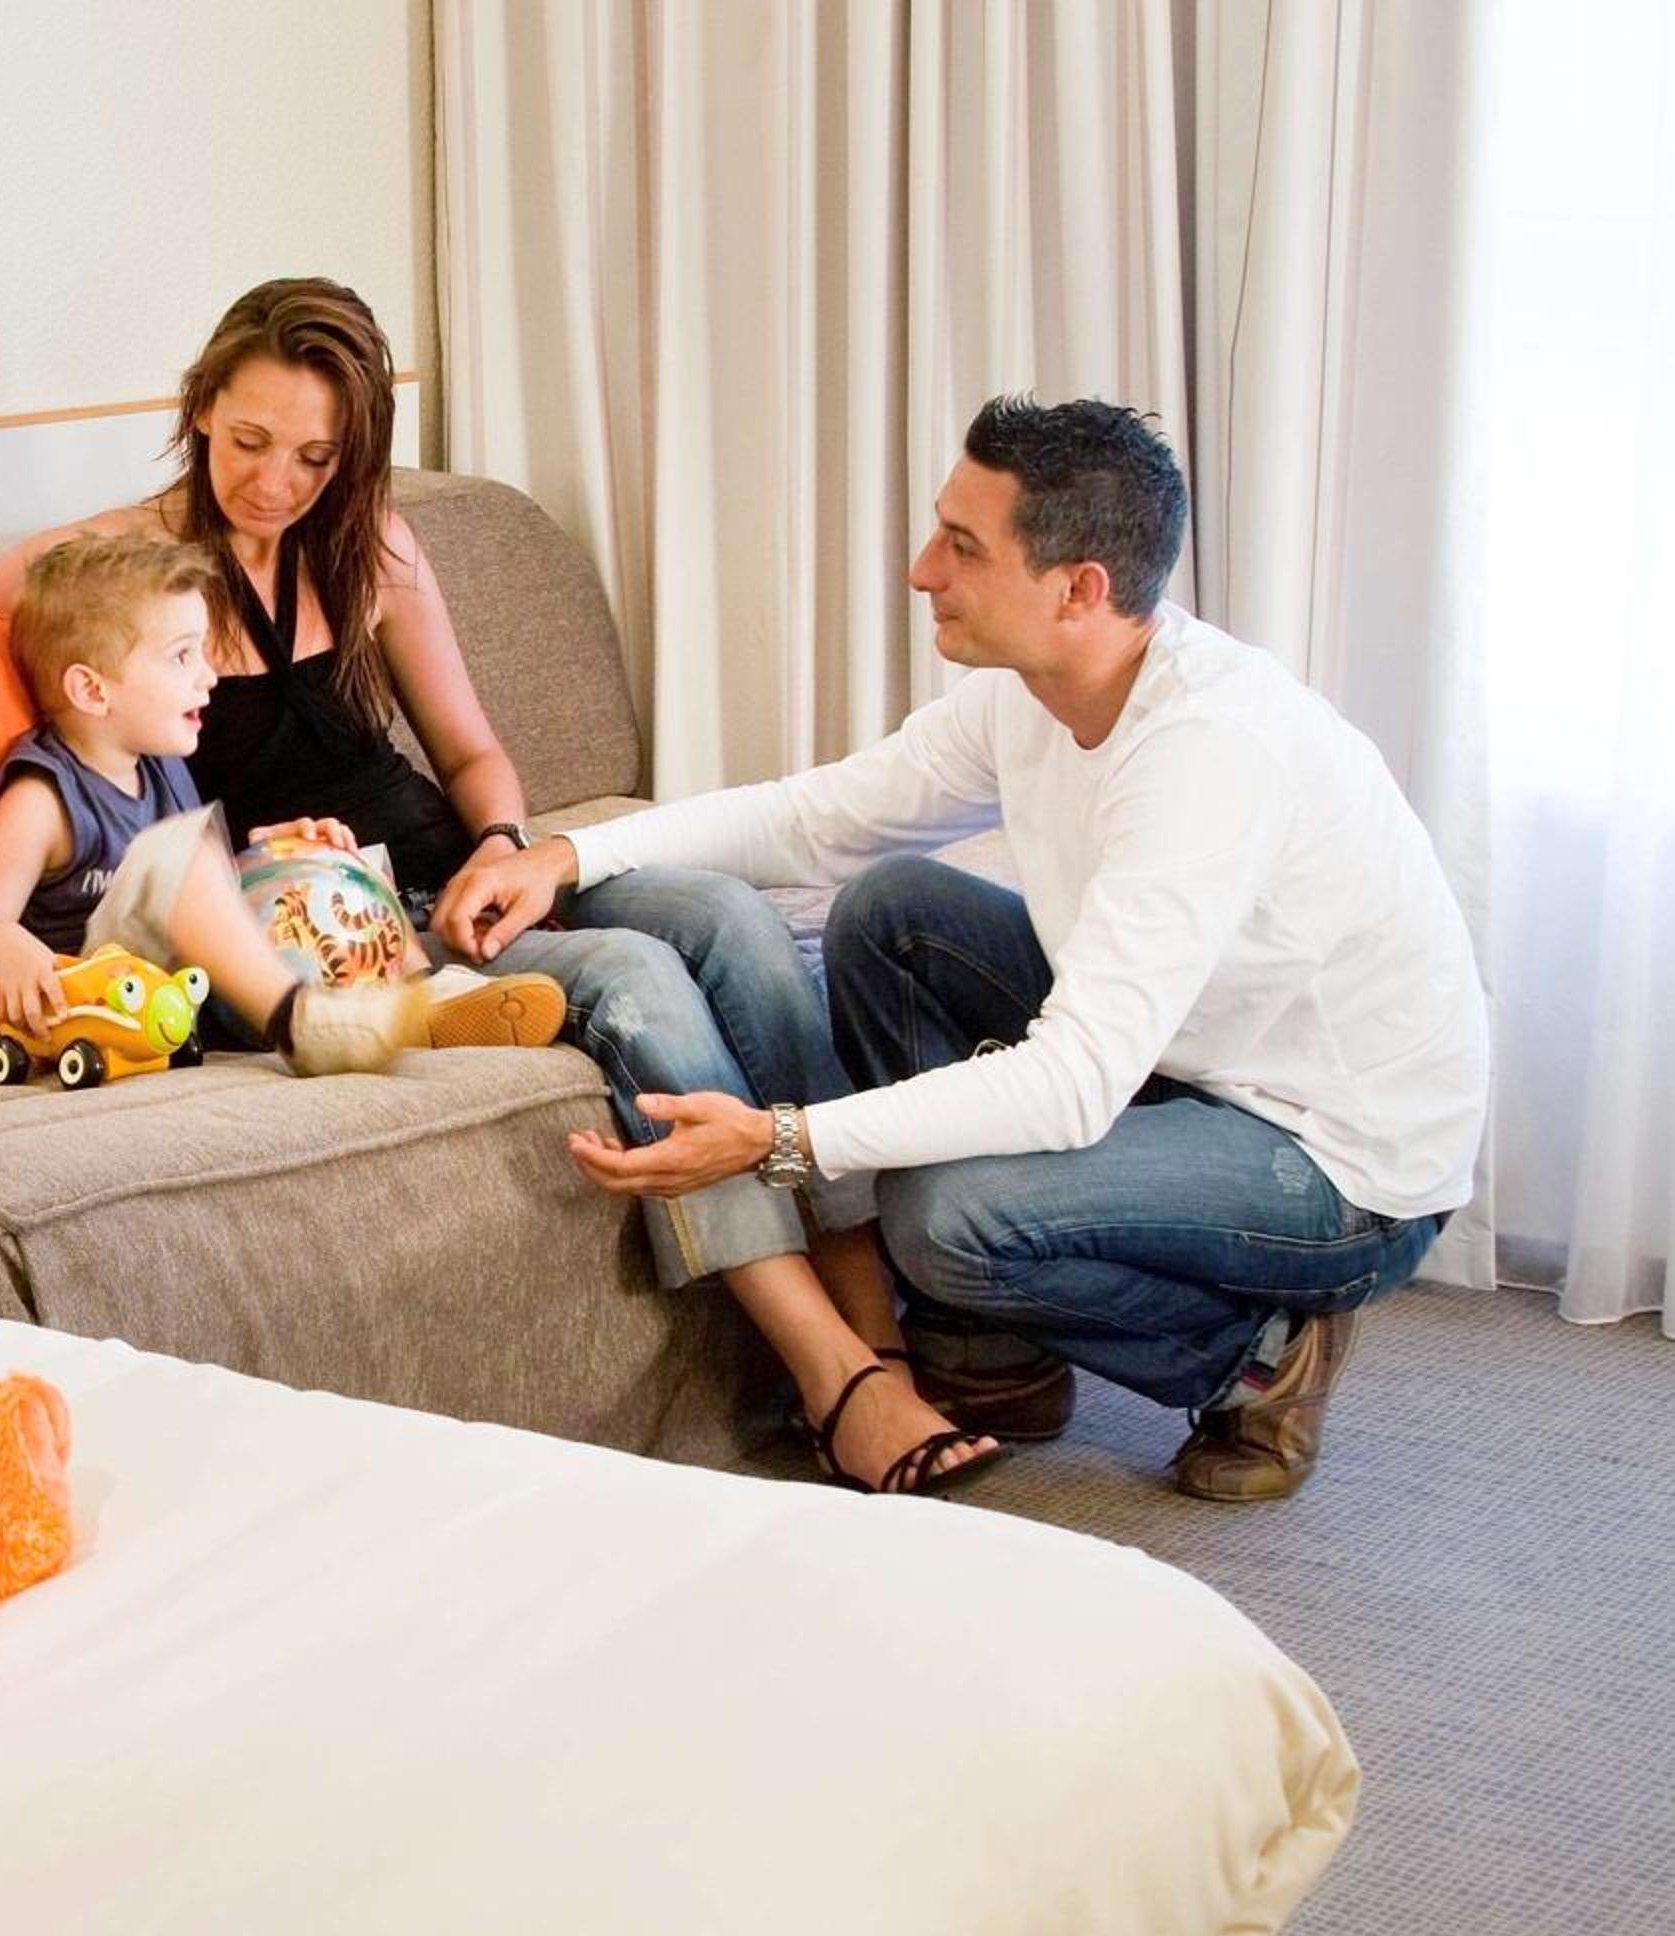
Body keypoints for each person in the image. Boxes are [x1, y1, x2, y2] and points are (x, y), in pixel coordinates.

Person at [0, 277, 997, 1495]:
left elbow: (472, 756)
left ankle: (877, 1331)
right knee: (635, 979)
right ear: (201, 408)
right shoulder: (126, 571)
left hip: (462, 870)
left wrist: (503, 845)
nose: (276, 483)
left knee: (734, 919)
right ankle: (830, 1377)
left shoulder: (372, 548)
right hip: (338, 920)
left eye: (315, 458)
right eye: (250, 441)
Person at [444, 395, 1488, 1502]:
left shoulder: (1207, 754)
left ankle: (1264, 1360)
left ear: (1078, 589)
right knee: (891, 913)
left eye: (962, 546)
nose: (921, 570)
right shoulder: (1033, 694)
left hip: (1337, 1158)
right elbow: (818, 818)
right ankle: (998, 1348)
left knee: (947, 1220)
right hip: (1190, 1061)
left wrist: (783, 1141)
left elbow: (1075, 1083)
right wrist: (566, 855)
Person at [0, 533, 433, 1075]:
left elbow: (200, 908)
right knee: (176, 855)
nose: (209, 675)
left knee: (325, 856)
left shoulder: (161, 766)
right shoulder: (43, 800)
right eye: (182, 655)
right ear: (92, 691)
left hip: (190, 988)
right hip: (111, 1004)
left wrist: (272, 853)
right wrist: (1, 944)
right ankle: (302, 1026)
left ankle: (429, 997)